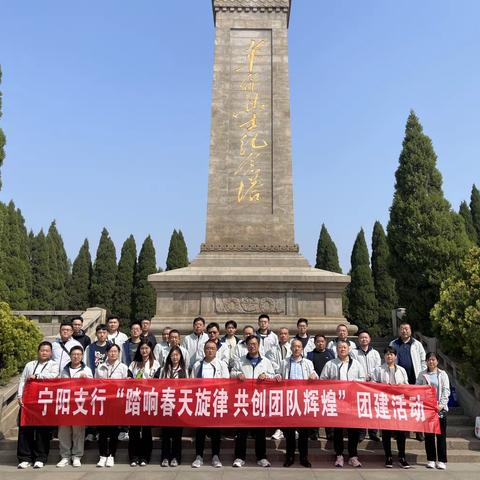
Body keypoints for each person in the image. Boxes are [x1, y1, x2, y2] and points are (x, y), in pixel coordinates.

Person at [231, 335, 275, 468]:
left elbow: (273, 376)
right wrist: (237, 375)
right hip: (244, 400)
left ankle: (261, 457)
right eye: (249, 344)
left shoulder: (266, 361)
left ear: (259, 345)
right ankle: (239, 457)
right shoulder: (240, 361)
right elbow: (232, 372)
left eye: (254, 344)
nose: (252, 346)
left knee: (260, 432)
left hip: (259, 400)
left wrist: (266, 376)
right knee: (242, 432)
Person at [320, 340, 366, 468]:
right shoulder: (330, 364)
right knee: (338, 431)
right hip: (336, 402)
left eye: (344, 347)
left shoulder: (356, 364)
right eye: (340, 347)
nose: (342, 349)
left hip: (352, 402)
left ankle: (353, 456)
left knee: (353, 430)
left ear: (349, 349)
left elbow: (362, 380)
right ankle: (339, 455)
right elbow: (322, 380)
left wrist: (353, 383)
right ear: (336, 349)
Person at [17, 341, 59, 469]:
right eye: (42, 350)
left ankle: (41, 457)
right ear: (38, 351)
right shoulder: (30, 364)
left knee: (42, 431)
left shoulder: (54, 365)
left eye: (47, 350)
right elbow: (22, 380)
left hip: (43, 402)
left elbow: (53, 377)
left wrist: (37, 376)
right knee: (25, 430)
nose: (44, 352)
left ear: (51, 353)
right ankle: (25, 458)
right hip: (28, 402)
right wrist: (20, 395)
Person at [191, 340, 230, 469]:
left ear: (216, 350)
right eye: (208, 348)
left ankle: (215, 456)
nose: (210, 351)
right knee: (200, 431)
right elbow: (192, 383)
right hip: (201, 401)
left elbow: (227, 383)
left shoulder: (221, 364)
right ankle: (199, 456)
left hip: (216, 401)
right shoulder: (198, 365)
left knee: (215, 431)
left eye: (212, 348)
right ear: (204, 350)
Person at [279, 339, 318, 468]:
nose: (296, 349)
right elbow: (278, 374)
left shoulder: (308, 363)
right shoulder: (284, 363)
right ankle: (289, 456)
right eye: (294, 346)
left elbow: (314, 375)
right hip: (289, 400)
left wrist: (313, 375)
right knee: (289, 432)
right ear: (291, 348)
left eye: (298, 347)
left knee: (303, 432)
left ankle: (303, 457)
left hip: (303, 400)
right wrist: (277, 376)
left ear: (302, 349)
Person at [372, 346, 410, 468]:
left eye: (392, 354)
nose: (389, 356)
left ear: (395, 356)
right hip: (385, 404)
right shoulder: (378, 370)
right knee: (386, 432)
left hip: (399, 405)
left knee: (401, 432)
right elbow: (372, 383)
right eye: (387, 354)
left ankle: (402, 457)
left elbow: (407, 385)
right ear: (384, 356)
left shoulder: (402, 370)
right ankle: (388, 456)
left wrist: (401, 386)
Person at [57, 345, 93, 468]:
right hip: (65, 404)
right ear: (70, 356)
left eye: (78, 354)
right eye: (74, 354)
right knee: (64, 431)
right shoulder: (64, 370)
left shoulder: (86, 370)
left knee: (78, 431)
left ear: (82, 356)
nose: (76, 356)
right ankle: (65, 456)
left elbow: (92, 388)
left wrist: (86, 379)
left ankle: (77, 456)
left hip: (79, 405)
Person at [390, 322, 426, 441]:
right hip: (399, 381)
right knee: (399, 406)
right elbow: (389, 359)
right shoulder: (394, 344)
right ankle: (399, 430)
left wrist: (422, 376)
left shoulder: (417, 344)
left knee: (416, 406)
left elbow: (423, 361)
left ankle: (419, 431)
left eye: (406, 329)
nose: (404, 331)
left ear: (410, 330)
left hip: (414, 379)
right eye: (402, 329)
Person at [94, 343, 129, 468]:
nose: (113, 353)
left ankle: (111, 455)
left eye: (115, 351)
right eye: (111, 351)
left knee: (114, 431)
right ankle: (102, 455)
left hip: (116, 403)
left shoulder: (123, 367)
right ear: (107, 353)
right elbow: (95, 384)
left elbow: (126, 385)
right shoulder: (100, 367)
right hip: (103, 403)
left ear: (119, 353)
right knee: (103, 432)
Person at [127, 340, 160, 466]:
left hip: (148, 400)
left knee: (146, 431)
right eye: (142, 348)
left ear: (150, 350)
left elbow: (157, 382)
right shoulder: (133, 364)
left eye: (146, 348)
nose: (144, 351)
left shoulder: (156, 364)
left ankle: (145, 456)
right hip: (135, 400)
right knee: (134, 430)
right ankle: (133, 456)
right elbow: (128, 380)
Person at [416, 352, 450, 470]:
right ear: (426, 361)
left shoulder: (443, 374)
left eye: (433, 360)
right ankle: (430, 459)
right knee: (429, 436)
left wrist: (441, 405)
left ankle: (442, 460)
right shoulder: (422, 374)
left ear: (437, 361)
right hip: (427, 409)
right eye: (429, 360)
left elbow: (446, 390)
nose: (431, 362)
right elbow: (417, 389)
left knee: (441, 436)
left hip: (440, 410)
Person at [156, 346, 188, 467]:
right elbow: (158, 385)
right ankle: (165, 457)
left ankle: (175, 457)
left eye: (177, 355)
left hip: (179, 405)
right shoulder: (164, 370)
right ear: (169, 356)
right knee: (166, 433)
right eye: (173, 355)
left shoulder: (184, 370)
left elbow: (188, 387)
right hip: (166, 404)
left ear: (180, 357)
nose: (175, 357)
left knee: (177, 434)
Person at [350, 329, 381, 442]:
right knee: (361, 408)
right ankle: (361, 432)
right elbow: (354, 366)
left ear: (369, 339)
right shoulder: (353, 352)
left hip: (372, 384)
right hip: (360, 384)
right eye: (361, 337)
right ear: (358, 340)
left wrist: (371, 376)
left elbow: (378, 367)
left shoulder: (375, 353)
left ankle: (373, 432)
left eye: (366, 337)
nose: (364, 339)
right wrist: (363, 377)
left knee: (373, 407)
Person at [307, 334, 334, 440]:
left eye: (322, 341)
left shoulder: (330, 353)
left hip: (328, 387)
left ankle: (330, 433)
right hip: (314, 387)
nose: (320, 343)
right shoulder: (310, 355)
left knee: (328, 410)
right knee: (315, 410)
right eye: (318, 341)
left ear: (325, 342)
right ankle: (314, 432)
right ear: (314, 343)